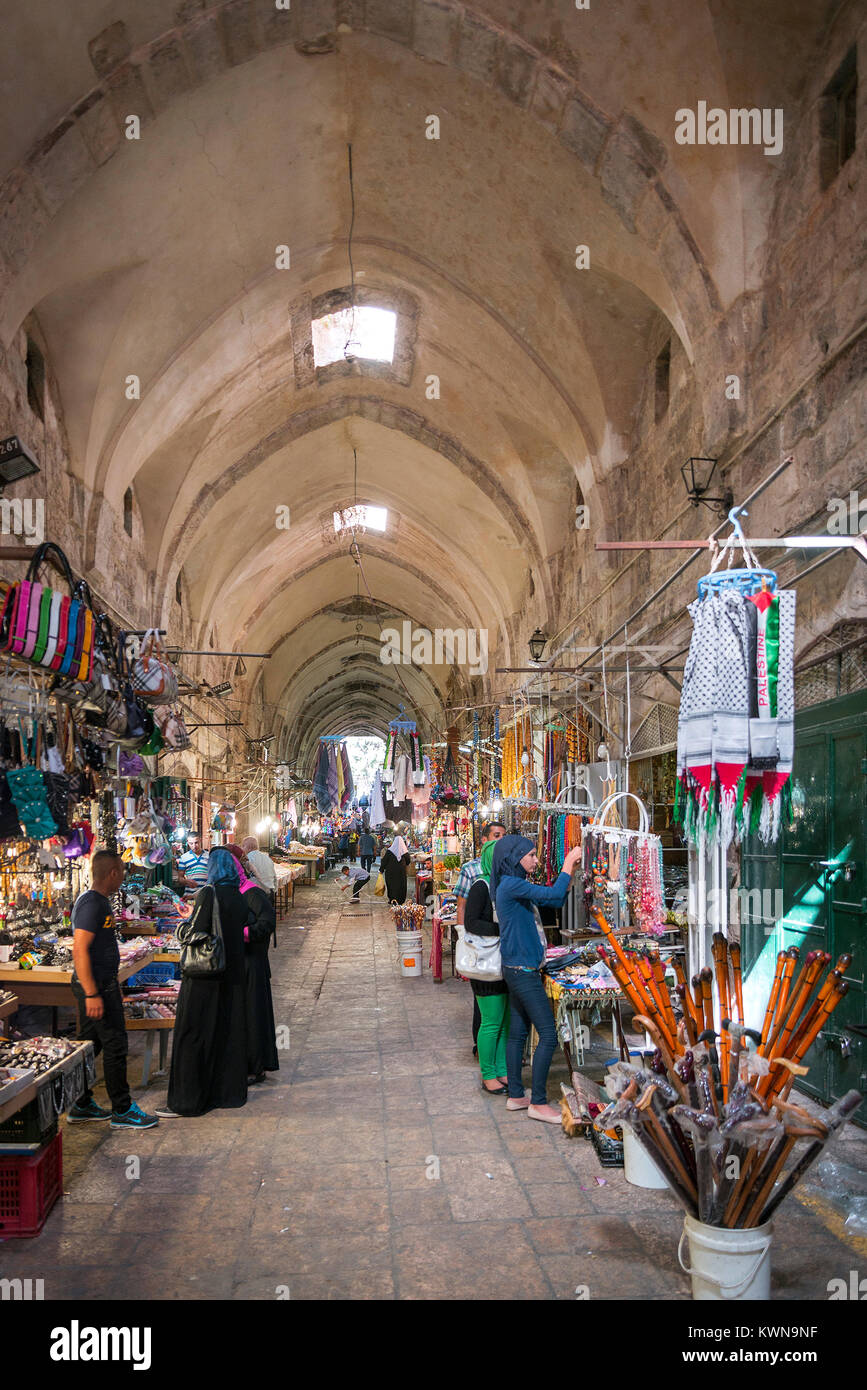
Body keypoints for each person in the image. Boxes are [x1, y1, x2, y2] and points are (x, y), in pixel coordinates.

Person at [490, 834, 583, 1124]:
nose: (536, 859)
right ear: (515, 857)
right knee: (549, 1034)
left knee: (518, 1033)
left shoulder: (511, 885)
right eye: (530, 855)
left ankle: (517, 1095)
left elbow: (550, 898)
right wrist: (568, 863)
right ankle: (539, 1103)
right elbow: (554, 897)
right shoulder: (512, 885)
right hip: (522, 971)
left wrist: (568, 873)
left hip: (516, 967)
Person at [68, 849, 159, 1129]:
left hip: (103, 985)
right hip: (95, 988)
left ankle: (80, 1103)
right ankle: (122, 1109)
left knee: (89, 1046)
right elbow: (79, 950)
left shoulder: (98, 902)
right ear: (112, 873)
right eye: (121, 871)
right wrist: (93, 992)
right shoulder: (93, 904)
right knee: (115, 1045)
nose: (123, 876)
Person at [157, 848, 249, 1117]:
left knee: (193, 1035)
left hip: (204, 978)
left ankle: (187, 1101)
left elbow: (193, 933)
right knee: (224, 1035)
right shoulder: (239, 895)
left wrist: (182, 921)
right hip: (231, 976)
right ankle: (224, 1095)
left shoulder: (210, 893)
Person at [225, 843, 278, 1085]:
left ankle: (256, 1067)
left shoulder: (252, 892)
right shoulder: (234, 893)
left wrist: (242, 933)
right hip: (240, 965)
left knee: (254, 1016)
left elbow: (267, 923)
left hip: (253, 964)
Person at [455, 822, 507, 1054]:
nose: (500, 840)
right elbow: (463, 906)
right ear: (484, 839)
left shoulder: (507, 869)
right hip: (483, 943)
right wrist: (463, 938)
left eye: (503, 836)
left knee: (497, 1007)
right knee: (485, 1003)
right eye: (496, 835)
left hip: (502, 948)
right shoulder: (473, 870)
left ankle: (499, 1057)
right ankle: (482, 1046)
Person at [464, 839, 510, 1094]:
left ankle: (502, 1070)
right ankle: (488, 1074)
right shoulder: (481, 886)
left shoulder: (502, 884)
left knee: (504, 1020)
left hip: (502, 961)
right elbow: (471, 923)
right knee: (491, 1021)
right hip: (485, 963)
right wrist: (503, 929)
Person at [380, 835, 411, 904]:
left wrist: (381, 869)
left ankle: (392, 899)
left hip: (390, 873)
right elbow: (408, 861)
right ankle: (400, 900)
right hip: (401, 872)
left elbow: (384, 861)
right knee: (401, 885)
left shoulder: (389, 851)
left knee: (391, 885)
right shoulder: (405, 851)